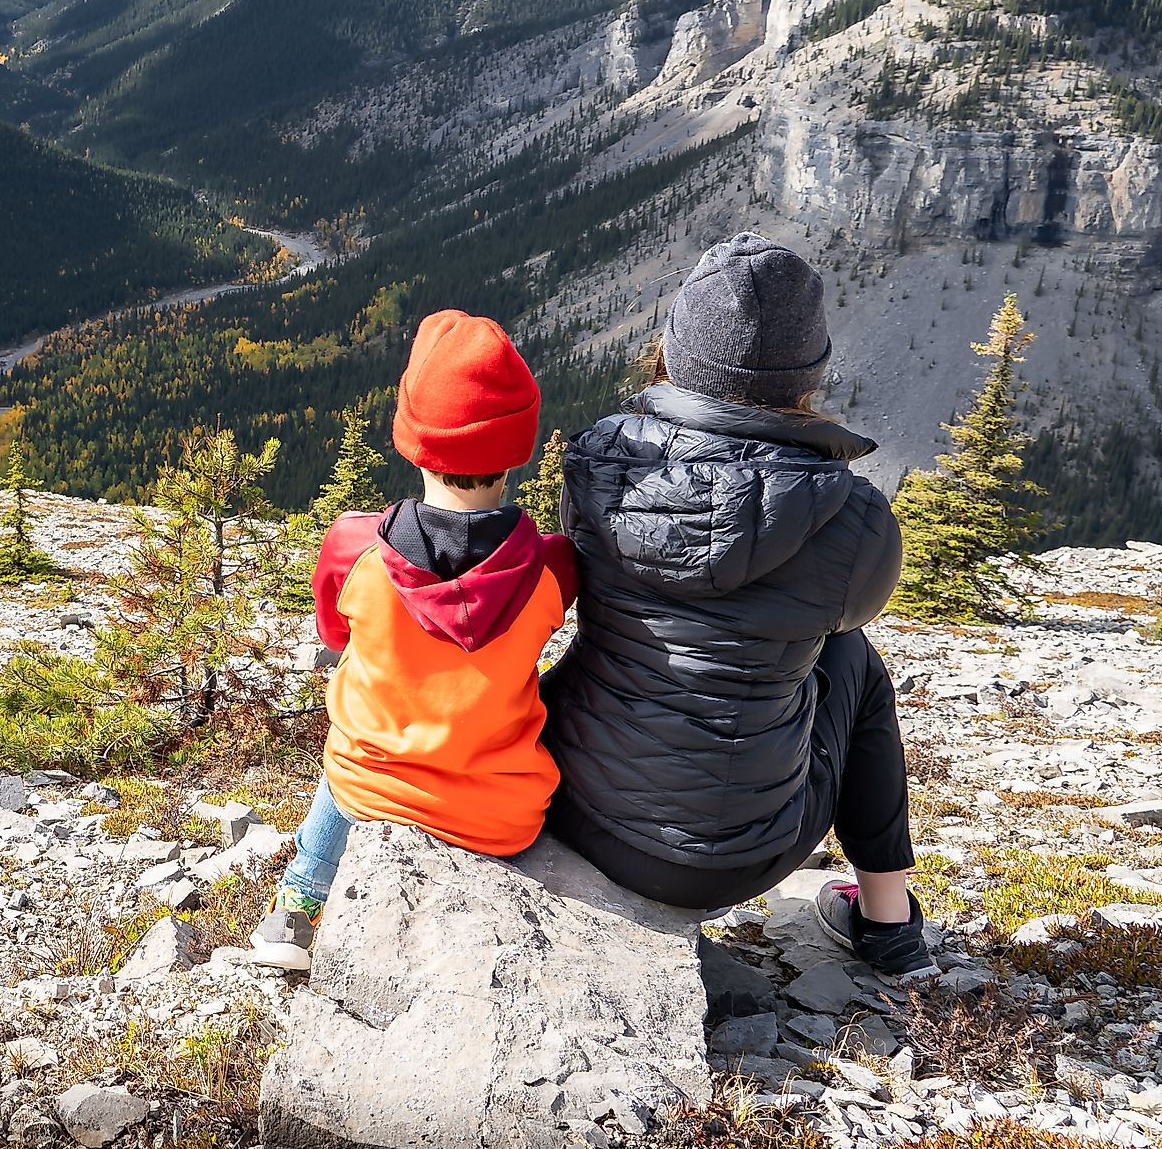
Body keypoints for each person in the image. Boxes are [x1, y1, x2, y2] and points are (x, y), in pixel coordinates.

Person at [541, 233, 932, 978]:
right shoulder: (853, 518)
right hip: (747, 855)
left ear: (677, 350)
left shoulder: (597, 464)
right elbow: (850, 614)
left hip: (577, 811)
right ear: (807, 371)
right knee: (852, 659)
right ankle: (889, 924)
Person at [249, 310, 578, 971]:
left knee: (350, 745)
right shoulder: (553, 568)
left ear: (413, 439)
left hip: (370, 793)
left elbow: (335, 634)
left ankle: (299, 908)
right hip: (499, 814)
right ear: (516, 448)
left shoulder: (352, 546)